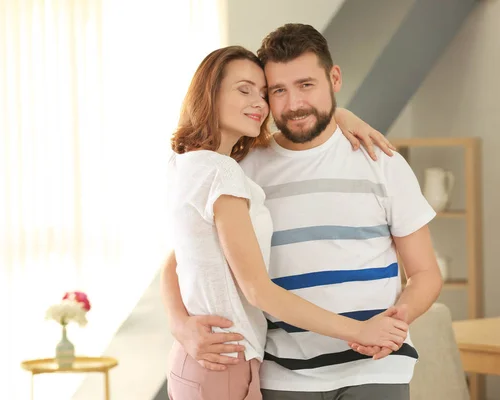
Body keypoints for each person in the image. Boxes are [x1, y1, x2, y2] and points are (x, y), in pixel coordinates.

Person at [164, 24, 443, 400]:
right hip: (282, 376)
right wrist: (180, 325)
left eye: (306, 85)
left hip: (375, 369)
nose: (293, 103)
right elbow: (183, 257)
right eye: (277, 90)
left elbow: (425, 272)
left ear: (334, 78)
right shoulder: (241, 167)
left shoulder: (380, 161)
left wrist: (394, 323)